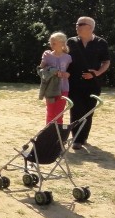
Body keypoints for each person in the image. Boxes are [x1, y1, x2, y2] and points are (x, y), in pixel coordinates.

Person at [66, 16, 110, 150]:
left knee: (88, 112)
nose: (77, 26)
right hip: (73, 83)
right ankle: (76, 139)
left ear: (90, 27)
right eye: (77, 24)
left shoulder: (101, 43)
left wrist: (97, 73)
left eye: (80, 24)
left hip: (93, 84)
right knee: (76, 110)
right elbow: (63, 58)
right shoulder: (71, 42)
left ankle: (83, 137)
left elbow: (106, 62)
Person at [39, 32, 72, 124]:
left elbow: (71, 72)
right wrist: (52, 71)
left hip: (63, 88)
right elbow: (40, 70)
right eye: (50, 43)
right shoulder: (47, 55)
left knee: (59, 114)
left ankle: (58, 136)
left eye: (54, 43)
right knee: (50, 113)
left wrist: (67, 74)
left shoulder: (68, 57)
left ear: (62, 43)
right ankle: (48, 134)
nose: (51, 45)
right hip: (50, 88)